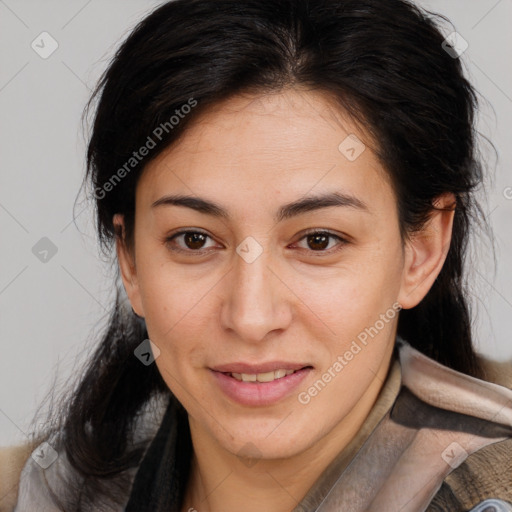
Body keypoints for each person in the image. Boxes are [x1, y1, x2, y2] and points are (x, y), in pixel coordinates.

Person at [2, 0, 512, 510]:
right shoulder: (45, 490)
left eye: (318, 241)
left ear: (421, 251)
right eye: (194, 240)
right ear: (130, 261)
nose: (250, 317)